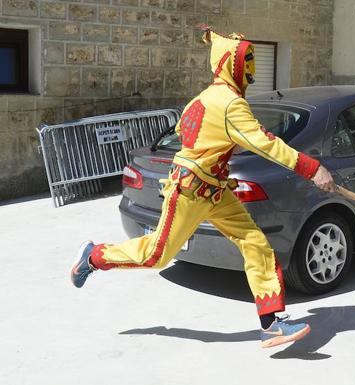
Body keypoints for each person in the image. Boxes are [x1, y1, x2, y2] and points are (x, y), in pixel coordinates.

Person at [70, 26, 336, 349]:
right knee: (157, 254)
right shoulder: (230, 104)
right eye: (246, 62)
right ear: (231, 64)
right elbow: (266, 144)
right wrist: (312, 167)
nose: (251, 71)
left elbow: (187, 132)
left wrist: (222, 148)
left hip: (215, 190)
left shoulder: (204, 98)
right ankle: (94, 256)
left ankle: (271, 324)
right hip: (190, 190)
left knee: (255, 243)